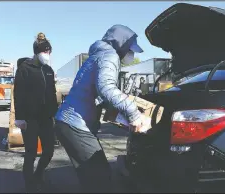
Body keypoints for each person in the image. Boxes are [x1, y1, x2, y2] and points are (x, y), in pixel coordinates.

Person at [54, 24, 147, 192]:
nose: (131, 54)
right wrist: (133, 113)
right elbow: (106, 88)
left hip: (68, 122)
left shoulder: (98, 55)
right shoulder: (109, 56)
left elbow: (97, 92)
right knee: (100, 177)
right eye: (130, 49)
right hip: (75, 123)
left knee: (91, 177)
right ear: (121, 45)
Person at [14, 39, 57, 193]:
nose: (47, 54)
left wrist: (55, 114)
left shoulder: (48, 70)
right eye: (45, 51)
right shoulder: (25, 69)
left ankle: (38, 174)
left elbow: (52, 94)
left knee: (49, 151)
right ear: (37, 52)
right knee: (30, 153)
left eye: (49, 51)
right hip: (29, 119)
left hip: (45, 119)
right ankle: (29, 184)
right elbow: (18, 93)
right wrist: (19, 117)